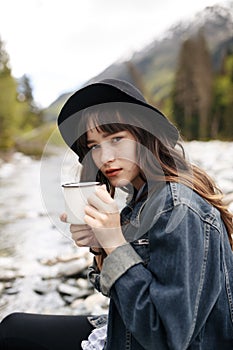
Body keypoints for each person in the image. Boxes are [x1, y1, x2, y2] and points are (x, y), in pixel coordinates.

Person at [0, 78, 232, 349]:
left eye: (116, 139)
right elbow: (124, 293)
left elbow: (167, 339)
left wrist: (114, 242)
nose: (105, 157)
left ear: (144, 135)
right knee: (13, 327)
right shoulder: (144, 197)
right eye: (94, 146)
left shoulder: (176, 208)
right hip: (130, 331)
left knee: (13, 334)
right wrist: (101, 248)